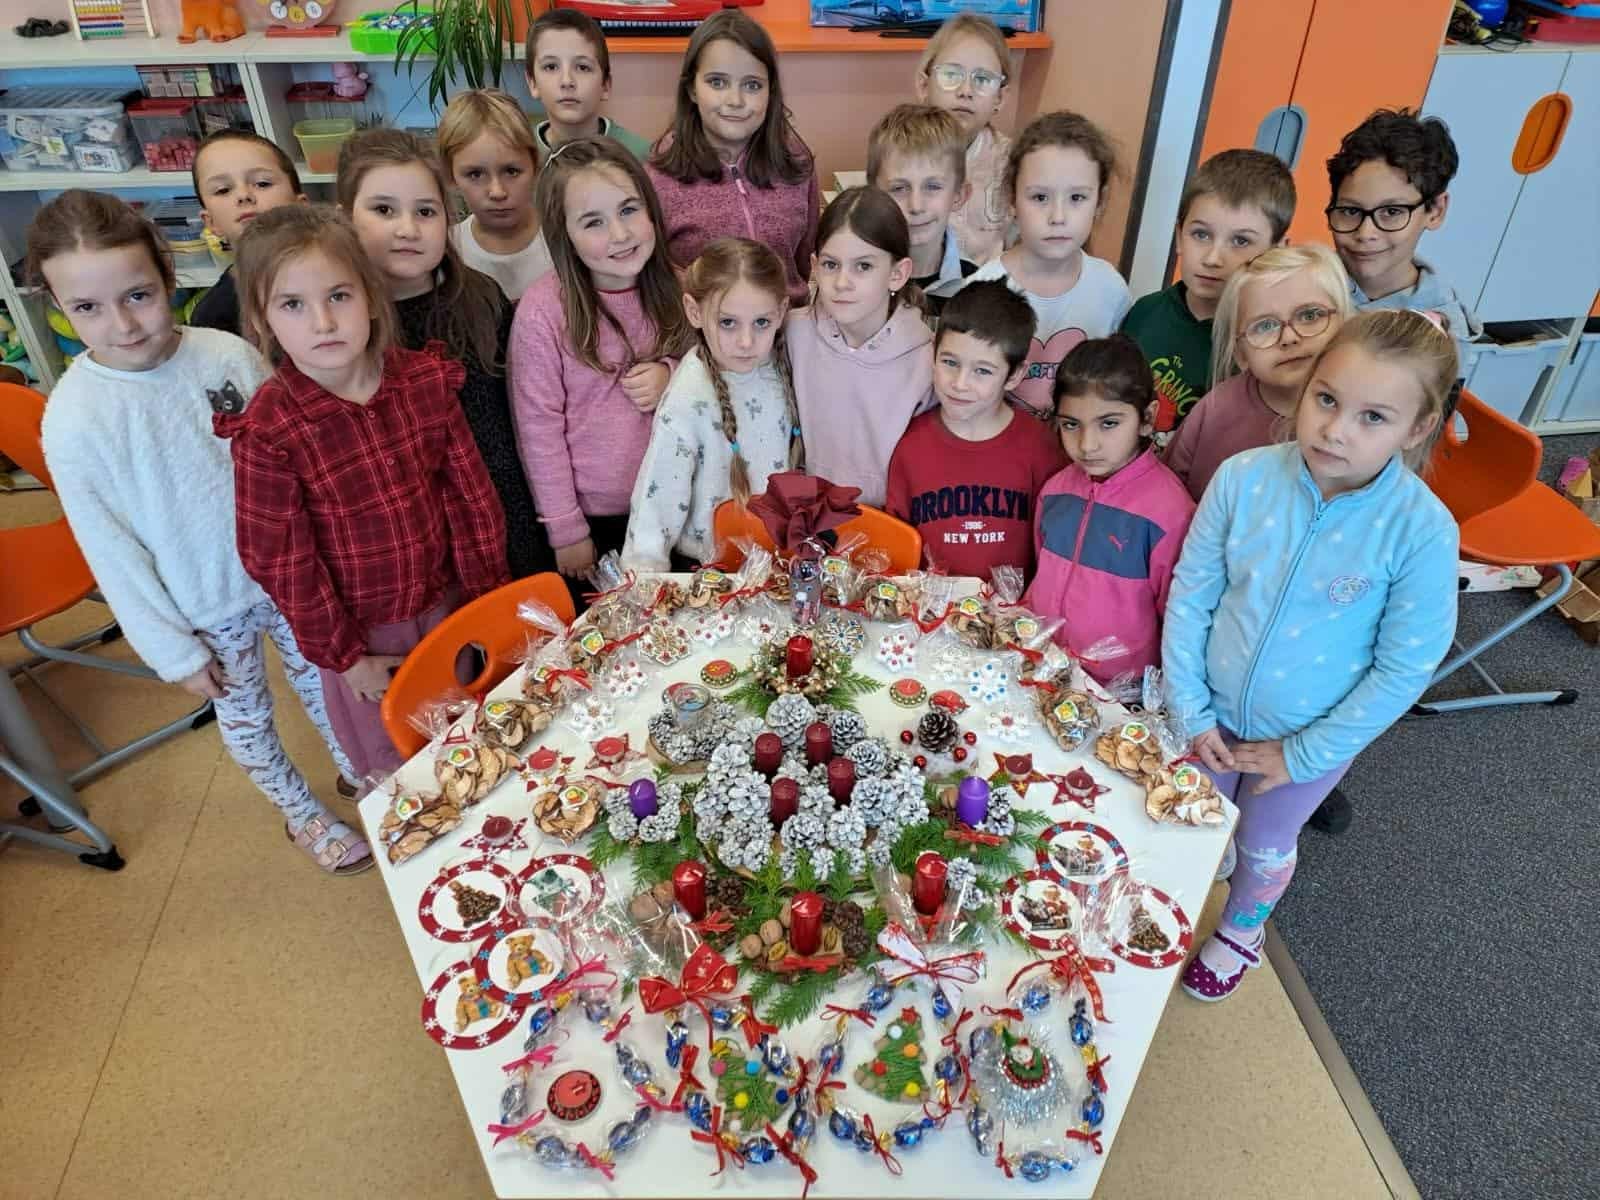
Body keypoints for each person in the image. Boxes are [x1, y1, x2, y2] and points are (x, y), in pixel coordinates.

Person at [30, 191, 370, 874]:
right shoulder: (73, 419)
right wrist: (172, 651)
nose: (123, 325)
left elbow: (296, 459)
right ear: (58, 308)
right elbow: (109, 550)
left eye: (138, 296)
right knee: (246, 719)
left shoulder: (226, 356)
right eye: (88, 308)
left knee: (326, 685)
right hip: (202, 608)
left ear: (166, 276)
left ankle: (359, 770)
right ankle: (300, 813)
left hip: (289, 578)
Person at [1164, 310, 1461, 1000]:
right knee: (1196, 822)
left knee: (1264, 844)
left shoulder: (1422, 532)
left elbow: (1403, 669)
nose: (1336, 430)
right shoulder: (1242, 479)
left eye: (1373, 417)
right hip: (1208, 714)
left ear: (1417, 428)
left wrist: (1303, 755)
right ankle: (1211, 866)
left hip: (1307, 741)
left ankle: (1242, 930)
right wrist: (1190, 709)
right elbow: (1191, 595)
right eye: (1326, 399)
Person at [220, 204, 509, 781]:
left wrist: (485, 598)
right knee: (400, 770)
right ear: (261, 319)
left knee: (474, 742)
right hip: (366, 637)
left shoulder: (423, 380)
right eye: (293, 304)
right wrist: (347, 657)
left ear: (371, 299)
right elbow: (281, 561)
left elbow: (471, 497)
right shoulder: (270, 430)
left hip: (449, 605)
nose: (323, 322)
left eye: (339, 296)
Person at [336, 127, 549, 581]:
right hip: (411, 552)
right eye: (383, 210)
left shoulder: (481, 299)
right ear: (345, 218)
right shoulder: (338, 328)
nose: (407, 229)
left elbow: (519, 421)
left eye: (425, 211)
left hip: (505, 526)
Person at [509, 137, 691, 595]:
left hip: (679, 506)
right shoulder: (543, 312)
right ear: (564, 235)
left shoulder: (680, 286)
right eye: (594, 222)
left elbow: (713, 367)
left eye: (629, 210)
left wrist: (672, 374)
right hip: (598, 520)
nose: (621, 234)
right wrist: (566, 528)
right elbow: (538, 428)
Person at [622, 238, 801, 572]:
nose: (746, 342)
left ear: (781, 312)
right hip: (709, 570)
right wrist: (643, 578)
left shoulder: (784, 362)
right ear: (694, 312)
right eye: (728, 322)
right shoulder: (689, 396)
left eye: (761, 322)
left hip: (777, 560)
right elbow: (657, 500)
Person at [1023, 335, 1193, 686]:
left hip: (1116, 694)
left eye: (1109, 423)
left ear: (1147, 418)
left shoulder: (1170, 514)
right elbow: (1042, 572)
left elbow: (1179, 623)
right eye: (1071, 424)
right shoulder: (1055, 491)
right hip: (1040, 669)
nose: (1087, 445)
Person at [885, 280, 1063, 578]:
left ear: (1014, 375)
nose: (960, 383)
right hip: (925, 605)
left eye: (982, 371)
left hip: (1016, 607)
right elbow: (897, 545)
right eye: (950, 362)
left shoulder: (1041, 447)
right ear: (933, 352)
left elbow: (1056, 549)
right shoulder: (910, 444)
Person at [962, 111, 1132, 418]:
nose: (1058, 217)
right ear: (1012, 199)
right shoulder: (980, 289)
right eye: (1040, 197)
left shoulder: (1110, 289)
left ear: (1100, 201)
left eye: (1077, 198)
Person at [646, 9, 820, 304]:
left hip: (788, 324)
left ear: (770, 92)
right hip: (699, 329)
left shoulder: (796, 161)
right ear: (691, 89)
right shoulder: (659, 175)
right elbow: (654, 276)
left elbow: (807, 261)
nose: (735, 100)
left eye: (752, 85)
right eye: (717, 82)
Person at [1120, 148, 1294, 434]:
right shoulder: (1144, 311)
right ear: (1179, 236)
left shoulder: (1271, 345)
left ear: (1277, 251)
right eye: (1201, 234)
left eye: (1240, 241)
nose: (1213, 258)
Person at [1165, 244, 1352, 502]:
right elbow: (1165, 492)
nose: (1288, 337)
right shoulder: (1215, 410)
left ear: (1345, 325)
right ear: (1240, 353)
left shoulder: (1365, 416)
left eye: (1310, 315)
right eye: (1265, 326)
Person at [787, 187, 933, 508]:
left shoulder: (927, 360)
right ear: (814, 266)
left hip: (889, 522)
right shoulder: (793, 333)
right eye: (831, 265)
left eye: (863, 266)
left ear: (897, 274)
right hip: (807, 516)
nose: (842, 282)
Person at [1326, 109, 1481, 347]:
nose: (1365, 234)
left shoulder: (1442, 339)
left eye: (1391, 212)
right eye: (1350, 211)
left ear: (1436, 211)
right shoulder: (1303, 279)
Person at [913, 12, 1013, 265]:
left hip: (989, 284)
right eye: (951, 75)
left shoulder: (1012, 161)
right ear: (924, 86)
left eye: (983, 79)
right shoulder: (900, 151)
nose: (966, 91)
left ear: (1000, 98)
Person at [437, 88, 552, 301]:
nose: (497, 192)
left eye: (511, 171)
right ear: (451, 176)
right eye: (475, 174)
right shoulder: (443, 252)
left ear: (535, 166)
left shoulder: (565, 241)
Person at [187, 129, 306, 335]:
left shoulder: (344, 270)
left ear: (301, 206)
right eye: (223, 190)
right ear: (211, 222)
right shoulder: (213, 316)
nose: (243, 195)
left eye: (262, 183)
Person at [868, 103, 979, 316]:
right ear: (873, 195)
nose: (916, 206)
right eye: (899, 188)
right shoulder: (856, 275)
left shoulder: (977, 287)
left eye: (933, 187)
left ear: (958, 195)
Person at [525, 6, 651, 164]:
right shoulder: (520, 154)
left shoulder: (643, 158)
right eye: (551, 67)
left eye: (583, 68)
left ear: (605, 85)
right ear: (532, 83)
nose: (567, 81)